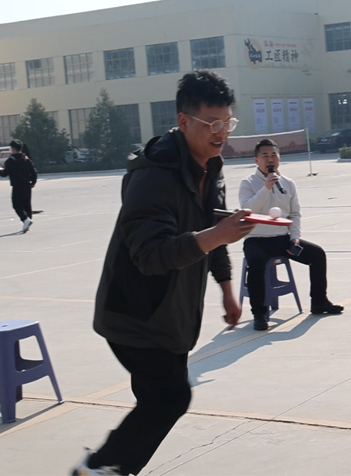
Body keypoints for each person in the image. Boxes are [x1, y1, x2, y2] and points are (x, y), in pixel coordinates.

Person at [75, 71, 256, 476]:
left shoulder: (210, 167)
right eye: (212, 123)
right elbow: (150, 255)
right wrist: (217, 235)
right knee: (170, 398)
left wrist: (227, 289)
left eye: (228, 122)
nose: (221, 133)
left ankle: (108, 468)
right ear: (184, 121)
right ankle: (96, 469)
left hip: (172, 316)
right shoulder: (153, 176)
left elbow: (214, 230)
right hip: (135, 314)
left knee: (157, 402)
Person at [239, 138, 344, 330]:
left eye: (274, 155)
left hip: (282, 239)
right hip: (257, 239)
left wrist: (294, 237)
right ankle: (259, 314)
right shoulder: (247, 183)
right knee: (256, 263)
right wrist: (266, 188)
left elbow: (295, 214)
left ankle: (319, 302)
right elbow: (248, 210)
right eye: (265, 155)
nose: (270, 159)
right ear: (256, 160)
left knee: (317, 254)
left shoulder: (287, 183)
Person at [0, 139, 37, 233]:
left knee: (16, 204)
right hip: (27, 184)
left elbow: (5, 173)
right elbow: (33, 171)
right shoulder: (26, 159)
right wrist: (33, 182)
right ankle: (27, 221)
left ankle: (25, 220)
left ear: (13, 149)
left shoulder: (10, 161)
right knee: (27, 204)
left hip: (17, 185)